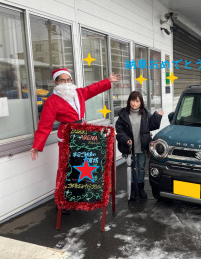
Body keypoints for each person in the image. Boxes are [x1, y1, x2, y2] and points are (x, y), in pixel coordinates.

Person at [30, 68, 121, 197]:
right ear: (56, 82)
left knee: (82, 165)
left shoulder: (78, 93)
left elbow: (93, 88)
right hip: (67, 135)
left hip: (82, 134)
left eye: (69, 80)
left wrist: (108, 81)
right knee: (66, 166)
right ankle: (62, 198)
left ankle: (77, 194)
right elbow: (45, 125)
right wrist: (37, 146)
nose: (67, 83)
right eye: (63, 80)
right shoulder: (52, 101)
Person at [115, 91, 163, 200]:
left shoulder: (145, 113)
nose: (134, 103)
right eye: (132, 100)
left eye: (137, 101)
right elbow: (119, 131)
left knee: (141, 168)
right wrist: (126, 140)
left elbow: (152, 125)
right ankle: (132, 189)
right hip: (129, 147)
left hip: (142, 146)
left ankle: (140, 188)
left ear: (140, 102)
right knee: (131, 168)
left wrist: (157, 116)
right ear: (129, 101)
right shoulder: (123, 115)